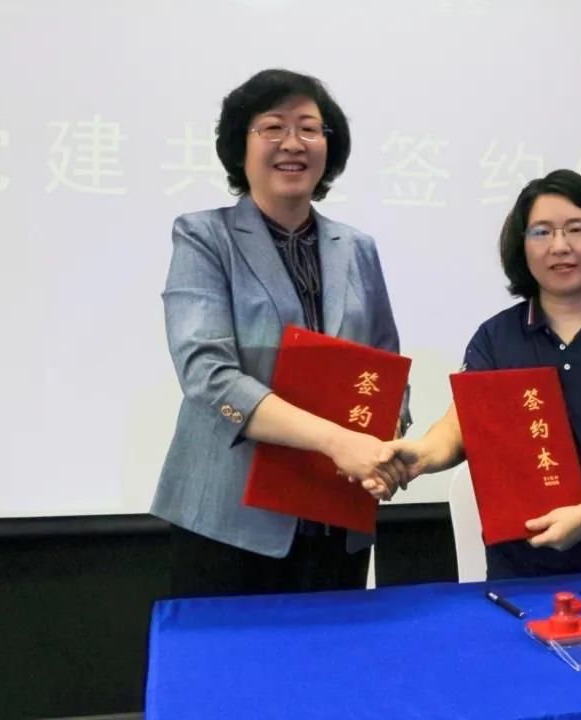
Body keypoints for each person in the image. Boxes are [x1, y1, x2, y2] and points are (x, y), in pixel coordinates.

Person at [152, 69, 409, 597]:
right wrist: (339, 441)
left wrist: (384, 444)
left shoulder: (356, 248)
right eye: (273, 127)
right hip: (230, 520)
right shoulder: (205, 236)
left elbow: (385, 367)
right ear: (239, 146)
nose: (293, 143)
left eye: (309, 128)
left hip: (335, 515)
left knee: (334, 649)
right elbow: (208, 376)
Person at [367, 169, 581, 580]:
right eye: (541, 232)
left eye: (576, 229)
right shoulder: (496, 337)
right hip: (526, 564)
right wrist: (420, 455)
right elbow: (461, 426)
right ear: (522, 247)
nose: (560, 246)